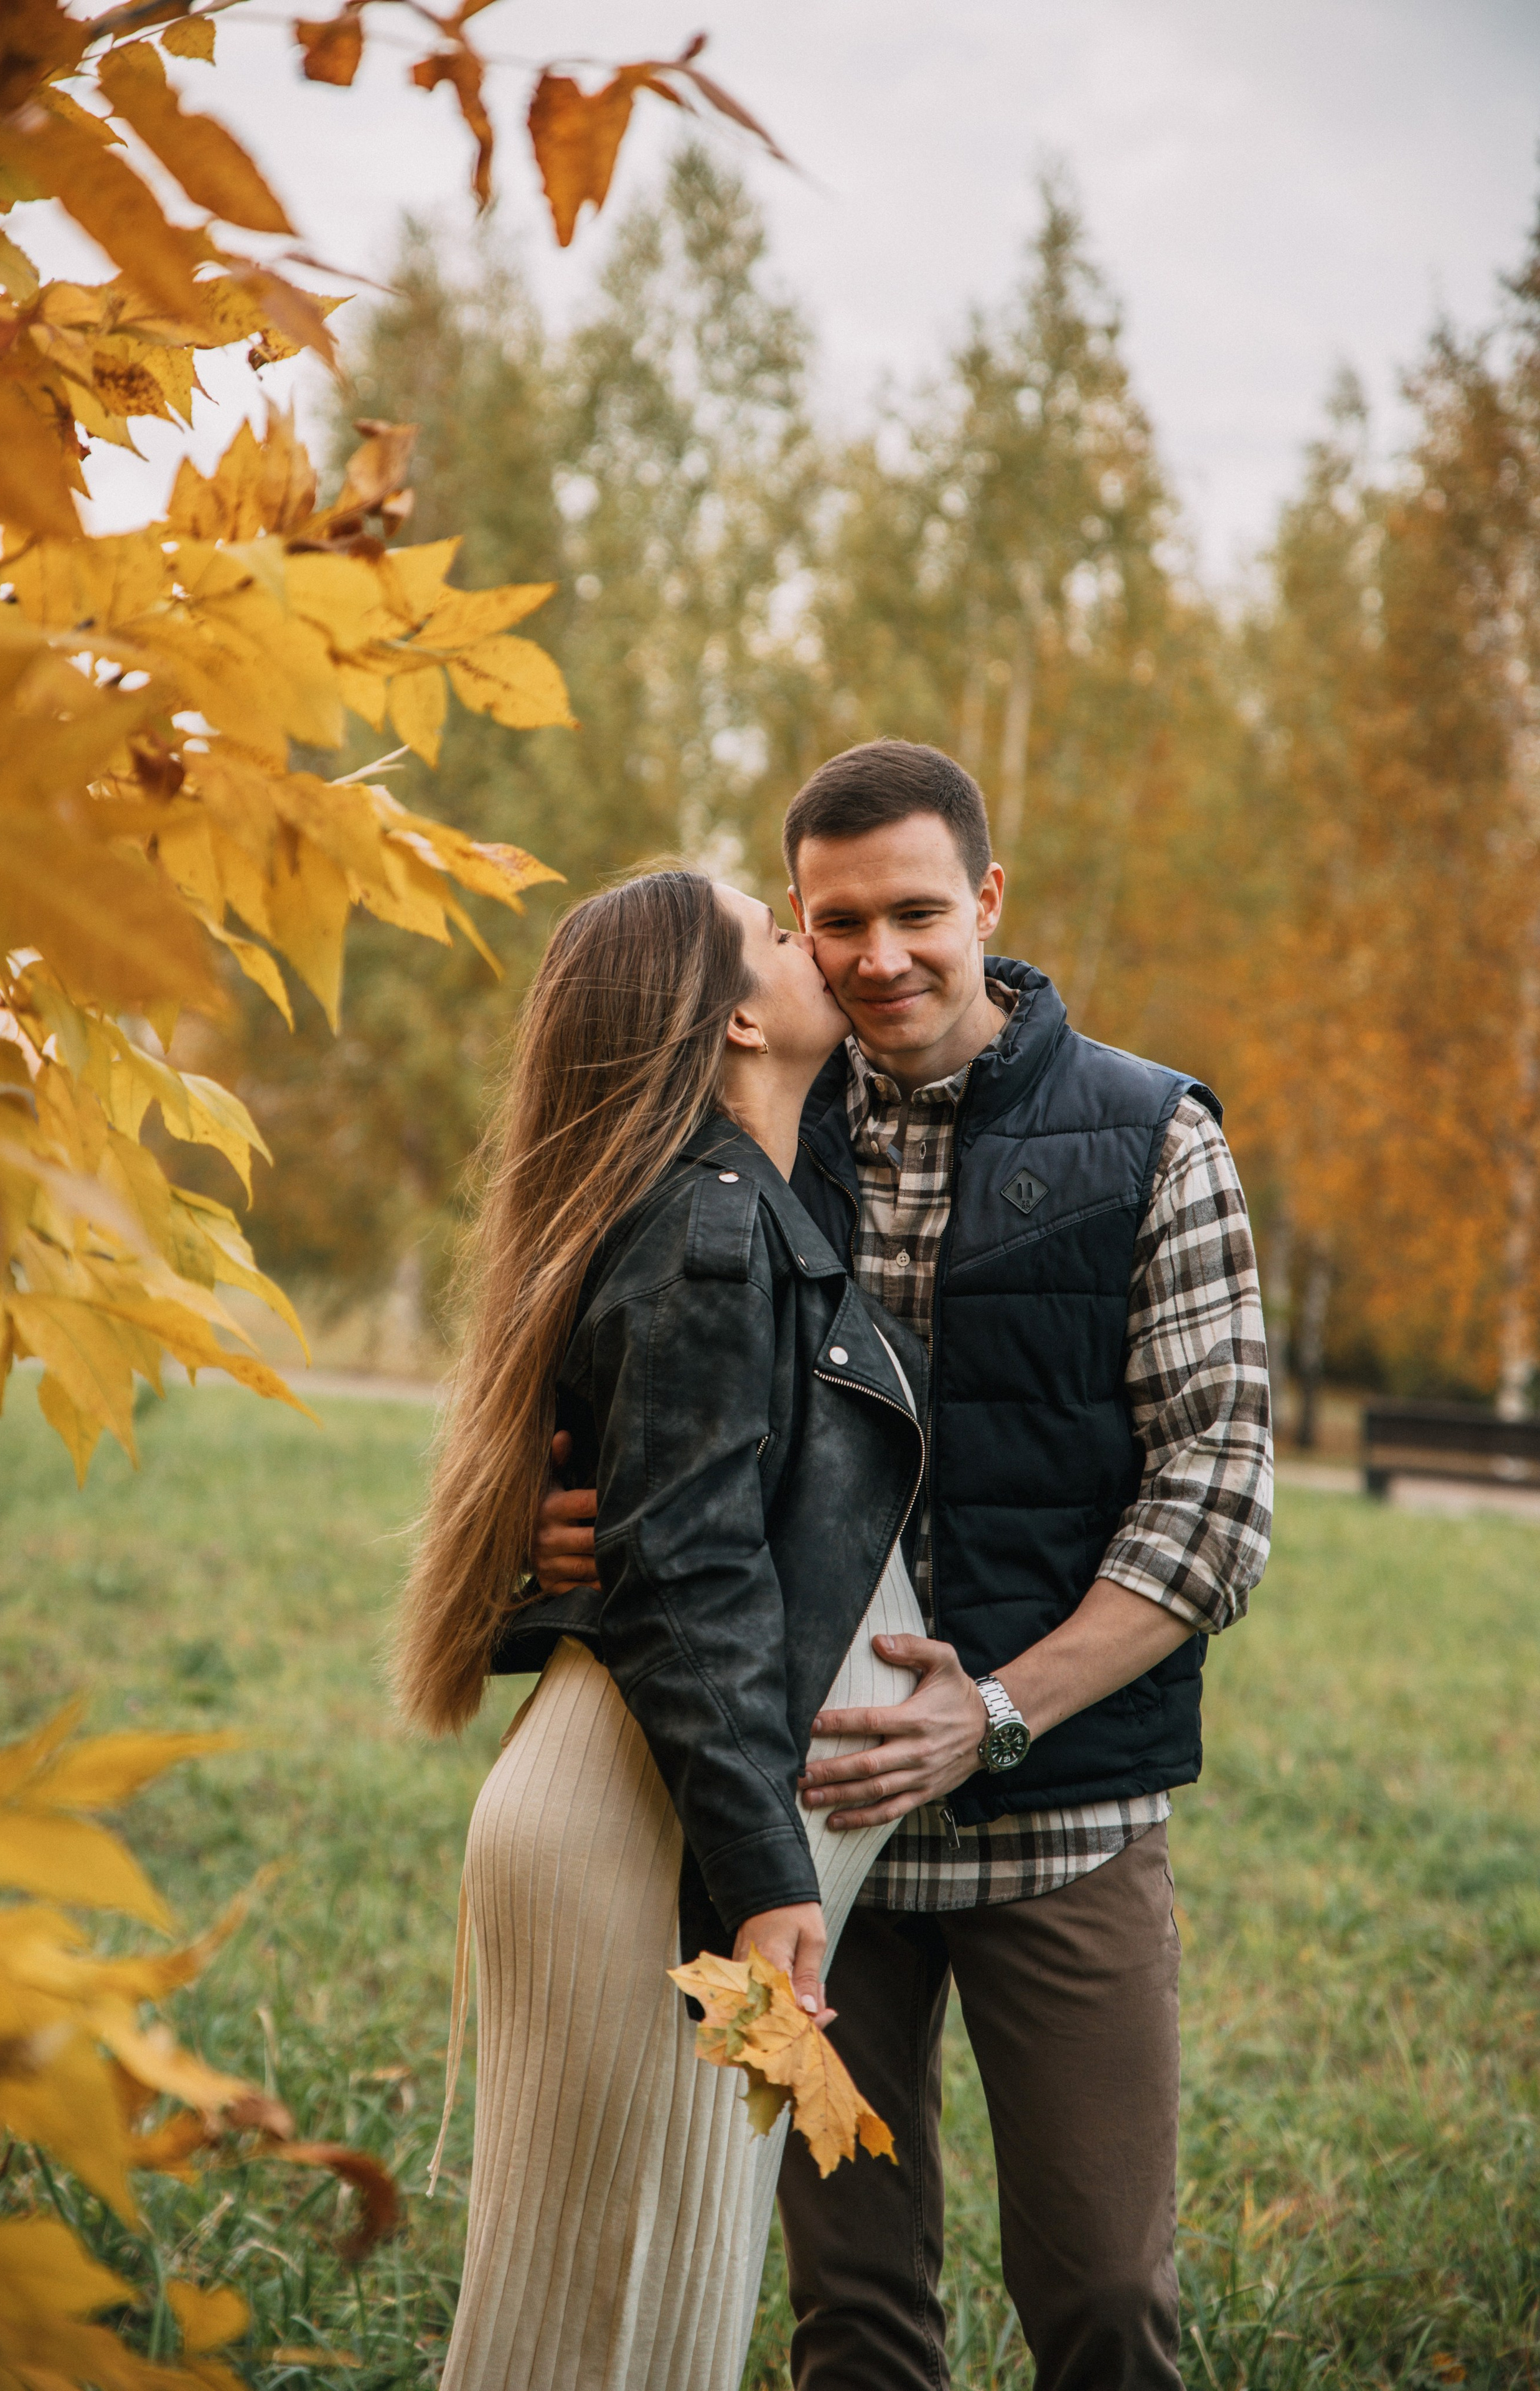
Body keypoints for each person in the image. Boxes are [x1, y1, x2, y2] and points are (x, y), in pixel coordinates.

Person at [532, 744, 1274, 2391]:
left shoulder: (1154, 1134)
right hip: (790, 1843)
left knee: (1107, 2299)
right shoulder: (751, 1122)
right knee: (849, 2321)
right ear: (793, 930)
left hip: (1063, 1823)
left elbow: (1217, 1502)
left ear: (988, 899)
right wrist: (549, 1524)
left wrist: (992, 1712)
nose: (878, 958)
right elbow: (637, 1421)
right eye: (837, 922)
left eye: (918, 912)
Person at [396, 867, 956, 2391]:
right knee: (610, 2324)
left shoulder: (742, 1207)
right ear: (734, 1019)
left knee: (635, 2318)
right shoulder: (713, 1230)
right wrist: (767, 1877)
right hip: (655, 1848)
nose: (810, 943)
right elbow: (692, 1569)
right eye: (776, 933)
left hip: (666, 1827)